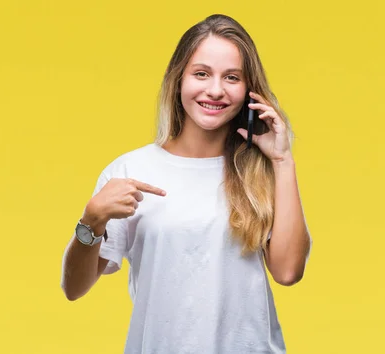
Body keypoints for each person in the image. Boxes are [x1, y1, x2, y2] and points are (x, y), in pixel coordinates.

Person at [60, 14, 312, 354]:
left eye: (232, 77)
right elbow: (74, 288)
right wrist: (91, 221)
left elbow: (288, 271)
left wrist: (282, 161)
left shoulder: (260, 170)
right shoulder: (131, 170)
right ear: (178, 80)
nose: (215, 90)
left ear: (249, 90)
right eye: (202, 73)